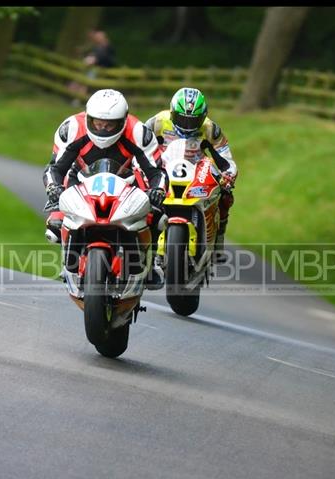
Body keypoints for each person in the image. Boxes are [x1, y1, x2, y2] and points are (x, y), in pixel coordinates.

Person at [42, 88, 168, 295]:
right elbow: (54, 168)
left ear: (123, 121)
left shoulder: (138, 132)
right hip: (80, 177)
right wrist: (53, 188)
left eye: (110, 125)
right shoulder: (72, 128)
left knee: (157, 215)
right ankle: (69, 261)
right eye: (97, 123)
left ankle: (149, 262)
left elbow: (157, 172)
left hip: (126, 179)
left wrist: (157, 191)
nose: (103, 129)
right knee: (55, 224)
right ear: (88, 117)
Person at [145, 87, 238, 261]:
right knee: (145, 196)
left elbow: (226, 159)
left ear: (203, 117)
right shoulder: (157, 122)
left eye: (193, 121)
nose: (187, 126)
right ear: (173, 113)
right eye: (182, 119)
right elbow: (139, 147)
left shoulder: (211, 129)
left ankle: (218, 241)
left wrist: (229, 175)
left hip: (197, 171)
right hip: (164, 168)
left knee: (226, 195)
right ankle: (144, 247)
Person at [68, 30, 116, 105]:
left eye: (99, 37)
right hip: (92, 68)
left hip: (101, 70)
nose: (97, 39)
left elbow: (105, 59)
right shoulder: (97, 46)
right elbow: (92, 55)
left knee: (85, 82)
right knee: (78, 79)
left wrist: (95, 60)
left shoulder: (107, 47)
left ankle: (77, 100)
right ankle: (72, 96)